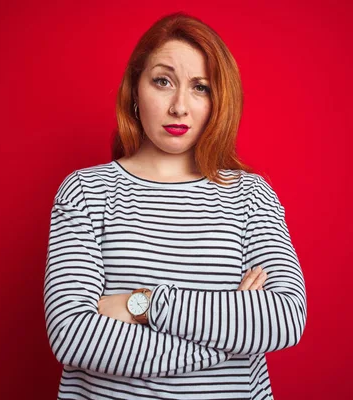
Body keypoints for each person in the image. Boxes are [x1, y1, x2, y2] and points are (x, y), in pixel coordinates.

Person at [43, 12, 307, 400]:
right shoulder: (86, 192)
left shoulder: (251, 195)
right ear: (135, 89)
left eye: (200, 87)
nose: (180, 106)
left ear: (218, 99)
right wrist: (234, 333)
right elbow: (72, 335)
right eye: (163, 81)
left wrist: (144, 305)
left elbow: (283, 319)